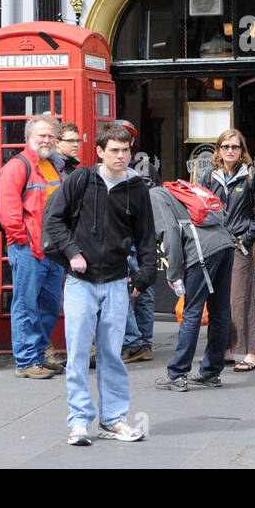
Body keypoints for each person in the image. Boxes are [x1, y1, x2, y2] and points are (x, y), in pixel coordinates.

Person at [44, 122, 156, 445]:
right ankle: (79, 421)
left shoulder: (137, 189)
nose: (121, 156)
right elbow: (53, 219)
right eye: (115, 151)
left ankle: (114, 419)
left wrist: (145, 276)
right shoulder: (81, 180)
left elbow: (146, 236)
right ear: (99, 152)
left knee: (112, 354)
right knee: (78, 353)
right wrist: (71, 251)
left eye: (126, 151)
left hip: (118, 280)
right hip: (81, 281)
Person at [0, 113, 65, 379]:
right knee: (26, 305)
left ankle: (37, 355)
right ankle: (25, 361)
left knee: (50, 305)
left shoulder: (53, 166)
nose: (47, 140)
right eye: (42, 135)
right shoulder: (18, 166)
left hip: (54, 250)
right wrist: (21, 239)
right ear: (29, 138)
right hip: (29, 248)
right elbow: (9, 208)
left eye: (51, 136)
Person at [152, 183, 234, 391]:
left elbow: (169, 231)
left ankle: (178, 374)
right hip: (224, 244)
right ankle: (211, 372)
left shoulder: (153, 196)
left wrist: (173, 272)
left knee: (192, 311)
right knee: (220, 311)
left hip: (202, 251)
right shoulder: (176, 189)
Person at [199, 128, 255, 371]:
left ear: (242, 151)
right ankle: (224, 349)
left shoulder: (251, 174)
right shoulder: (208, 177)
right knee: (219, 299)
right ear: (218, 149)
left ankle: (250, 352)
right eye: (225, 146)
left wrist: (247, 238)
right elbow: (200, 209)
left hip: (239, 245)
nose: (230, 150)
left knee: (241, 298)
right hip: (215, 245)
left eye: (235, 147)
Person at [115, 119, 157, 364]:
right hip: (120, 244)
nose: (124, 142)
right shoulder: (107, 171)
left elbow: (155, 200)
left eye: (127, 138)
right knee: (123, 295)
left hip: (140, 242)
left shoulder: (146, 167)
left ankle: (144, 343)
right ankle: (134, 342)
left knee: (145, 294)